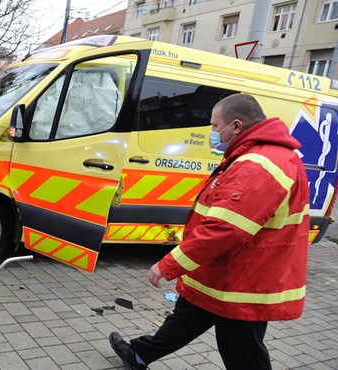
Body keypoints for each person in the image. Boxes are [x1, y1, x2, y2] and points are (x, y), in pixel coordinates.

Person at [109, 93, 310, 370]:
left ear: (237, 126)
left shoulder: (259, 164)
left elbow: (225, 229)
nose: (212, 132)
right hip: (222, 274)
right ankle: (139, 354)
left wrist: (170, 264)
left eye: (216, 126)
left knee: (242, 352)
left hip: (240, 281)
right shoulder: (257, 155)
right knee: (185, 317)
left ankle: (140, 354)